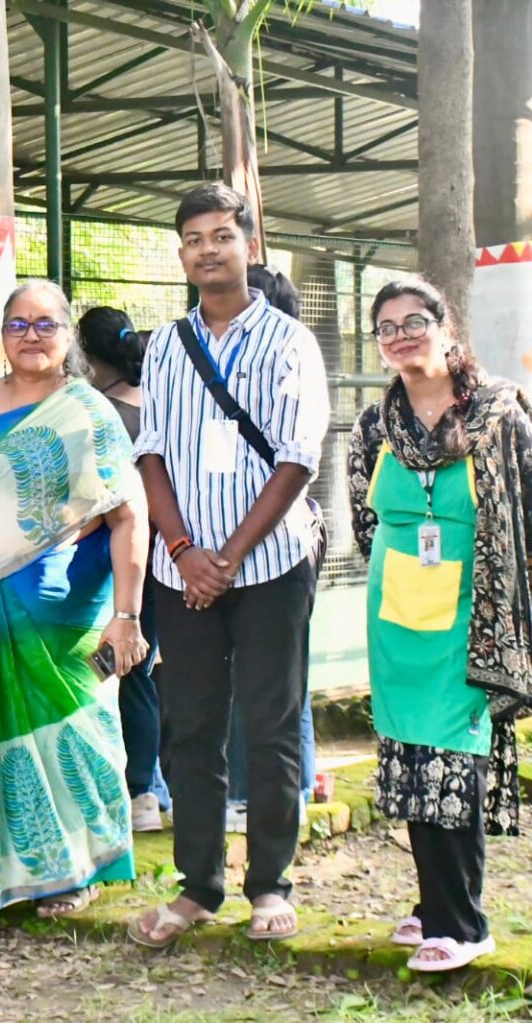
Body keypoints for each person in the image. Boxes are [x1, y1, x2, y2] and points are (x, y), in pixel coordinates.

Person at [128, 183, 329, 949]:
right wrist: (183, 552)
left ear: (249, 245)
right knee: (190, 725)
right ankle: (198, 886)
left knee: (271, 724)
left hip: (272, 563)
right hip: (184, 572)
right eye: (194, 239)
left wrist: (231, 555)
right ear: (181, 254)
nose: (208, 249)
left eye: (222, 235)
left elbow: (296, 457)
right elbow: (150, 454)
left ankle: (271, 883)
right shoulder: (166, 345)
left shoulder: (288, 341)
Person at [0, 282, 148, 914]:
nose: (32, 336)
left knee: (75, 728)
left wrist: (128, 617)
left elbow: (128, 517)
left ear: (67, 336)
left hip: (63, 603)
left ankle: (72, 872)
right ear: (2, 334)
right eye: (18, 324)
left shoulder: (88, 413)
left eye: (46, 324)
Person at [347, 277, 530, 972]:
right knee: (410, 756)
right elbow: (368, 523)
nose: (401, 334)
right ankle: (433, 904)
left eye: (414, 320)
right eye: (386, 326)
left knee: (453, 756)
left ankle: (464, 923)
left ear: (447, 327)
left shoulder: (499, 413)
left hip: (472, 614)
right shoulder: (374, 426)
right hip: (396, 617)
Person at [223, 265, 319, 833]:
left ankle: (284, 792)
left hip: (282, 541)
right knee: (275, 679)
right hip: (225, 541)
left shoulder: (290, 358)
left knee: (278, 682)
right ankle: (286, 788)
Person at [78, 305, 171, 833]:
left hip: (105, 567)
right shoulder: (156, 409)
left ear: (87, 358)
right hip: (159, 564)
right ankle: (145, 792)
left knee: (100, 671)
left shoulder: (96, 413)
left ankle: (128, 787)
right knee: (137, 672)